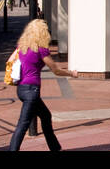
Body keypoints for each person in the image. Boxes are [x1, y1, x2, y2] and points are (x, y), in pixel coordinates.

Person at [7, 19, 78, 151]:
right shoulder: (41, 50)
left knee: (46, 116)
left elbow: (10, 61)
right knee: (23, 124)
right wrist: (71, 73)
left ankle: (55, 147)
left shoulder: (21, 46)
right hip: (31, 91)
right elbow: (55, 70)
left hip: (21, 89)